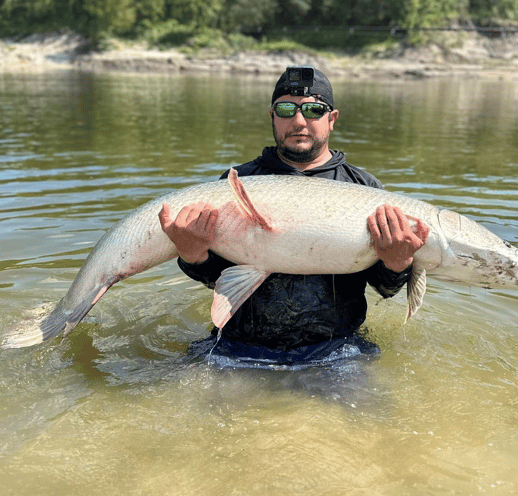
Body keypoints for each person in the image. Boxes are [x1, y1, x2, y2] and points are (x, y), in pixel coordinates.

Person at [158, 67, 429, 366]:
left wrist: (397, 264)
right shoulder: (239, 180)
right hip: (239, 347)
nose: (299, 121)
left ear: (332, 118)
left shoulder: (364, 188)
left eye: (314, 109)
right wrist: (193, 257)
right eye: (286, 109)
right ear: (272, 116)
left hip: (336, 351)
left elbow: (384, 288)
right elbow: (217, 278)